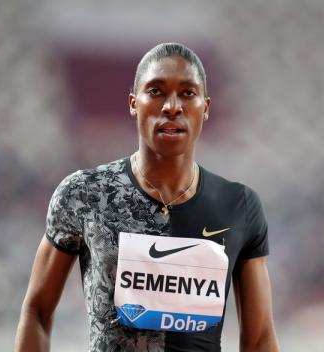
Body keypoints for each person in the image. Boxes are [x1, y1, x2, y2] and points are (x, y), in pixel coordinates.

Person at [14, 42, 280, 352]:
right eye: (155, 91)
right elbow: (37, 311)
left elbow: (260, 338)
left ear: (205, 108)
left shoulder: (239, 206)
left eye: (187, 93)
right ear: (133, 103)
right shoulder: (85, 194)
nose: (171, 106)